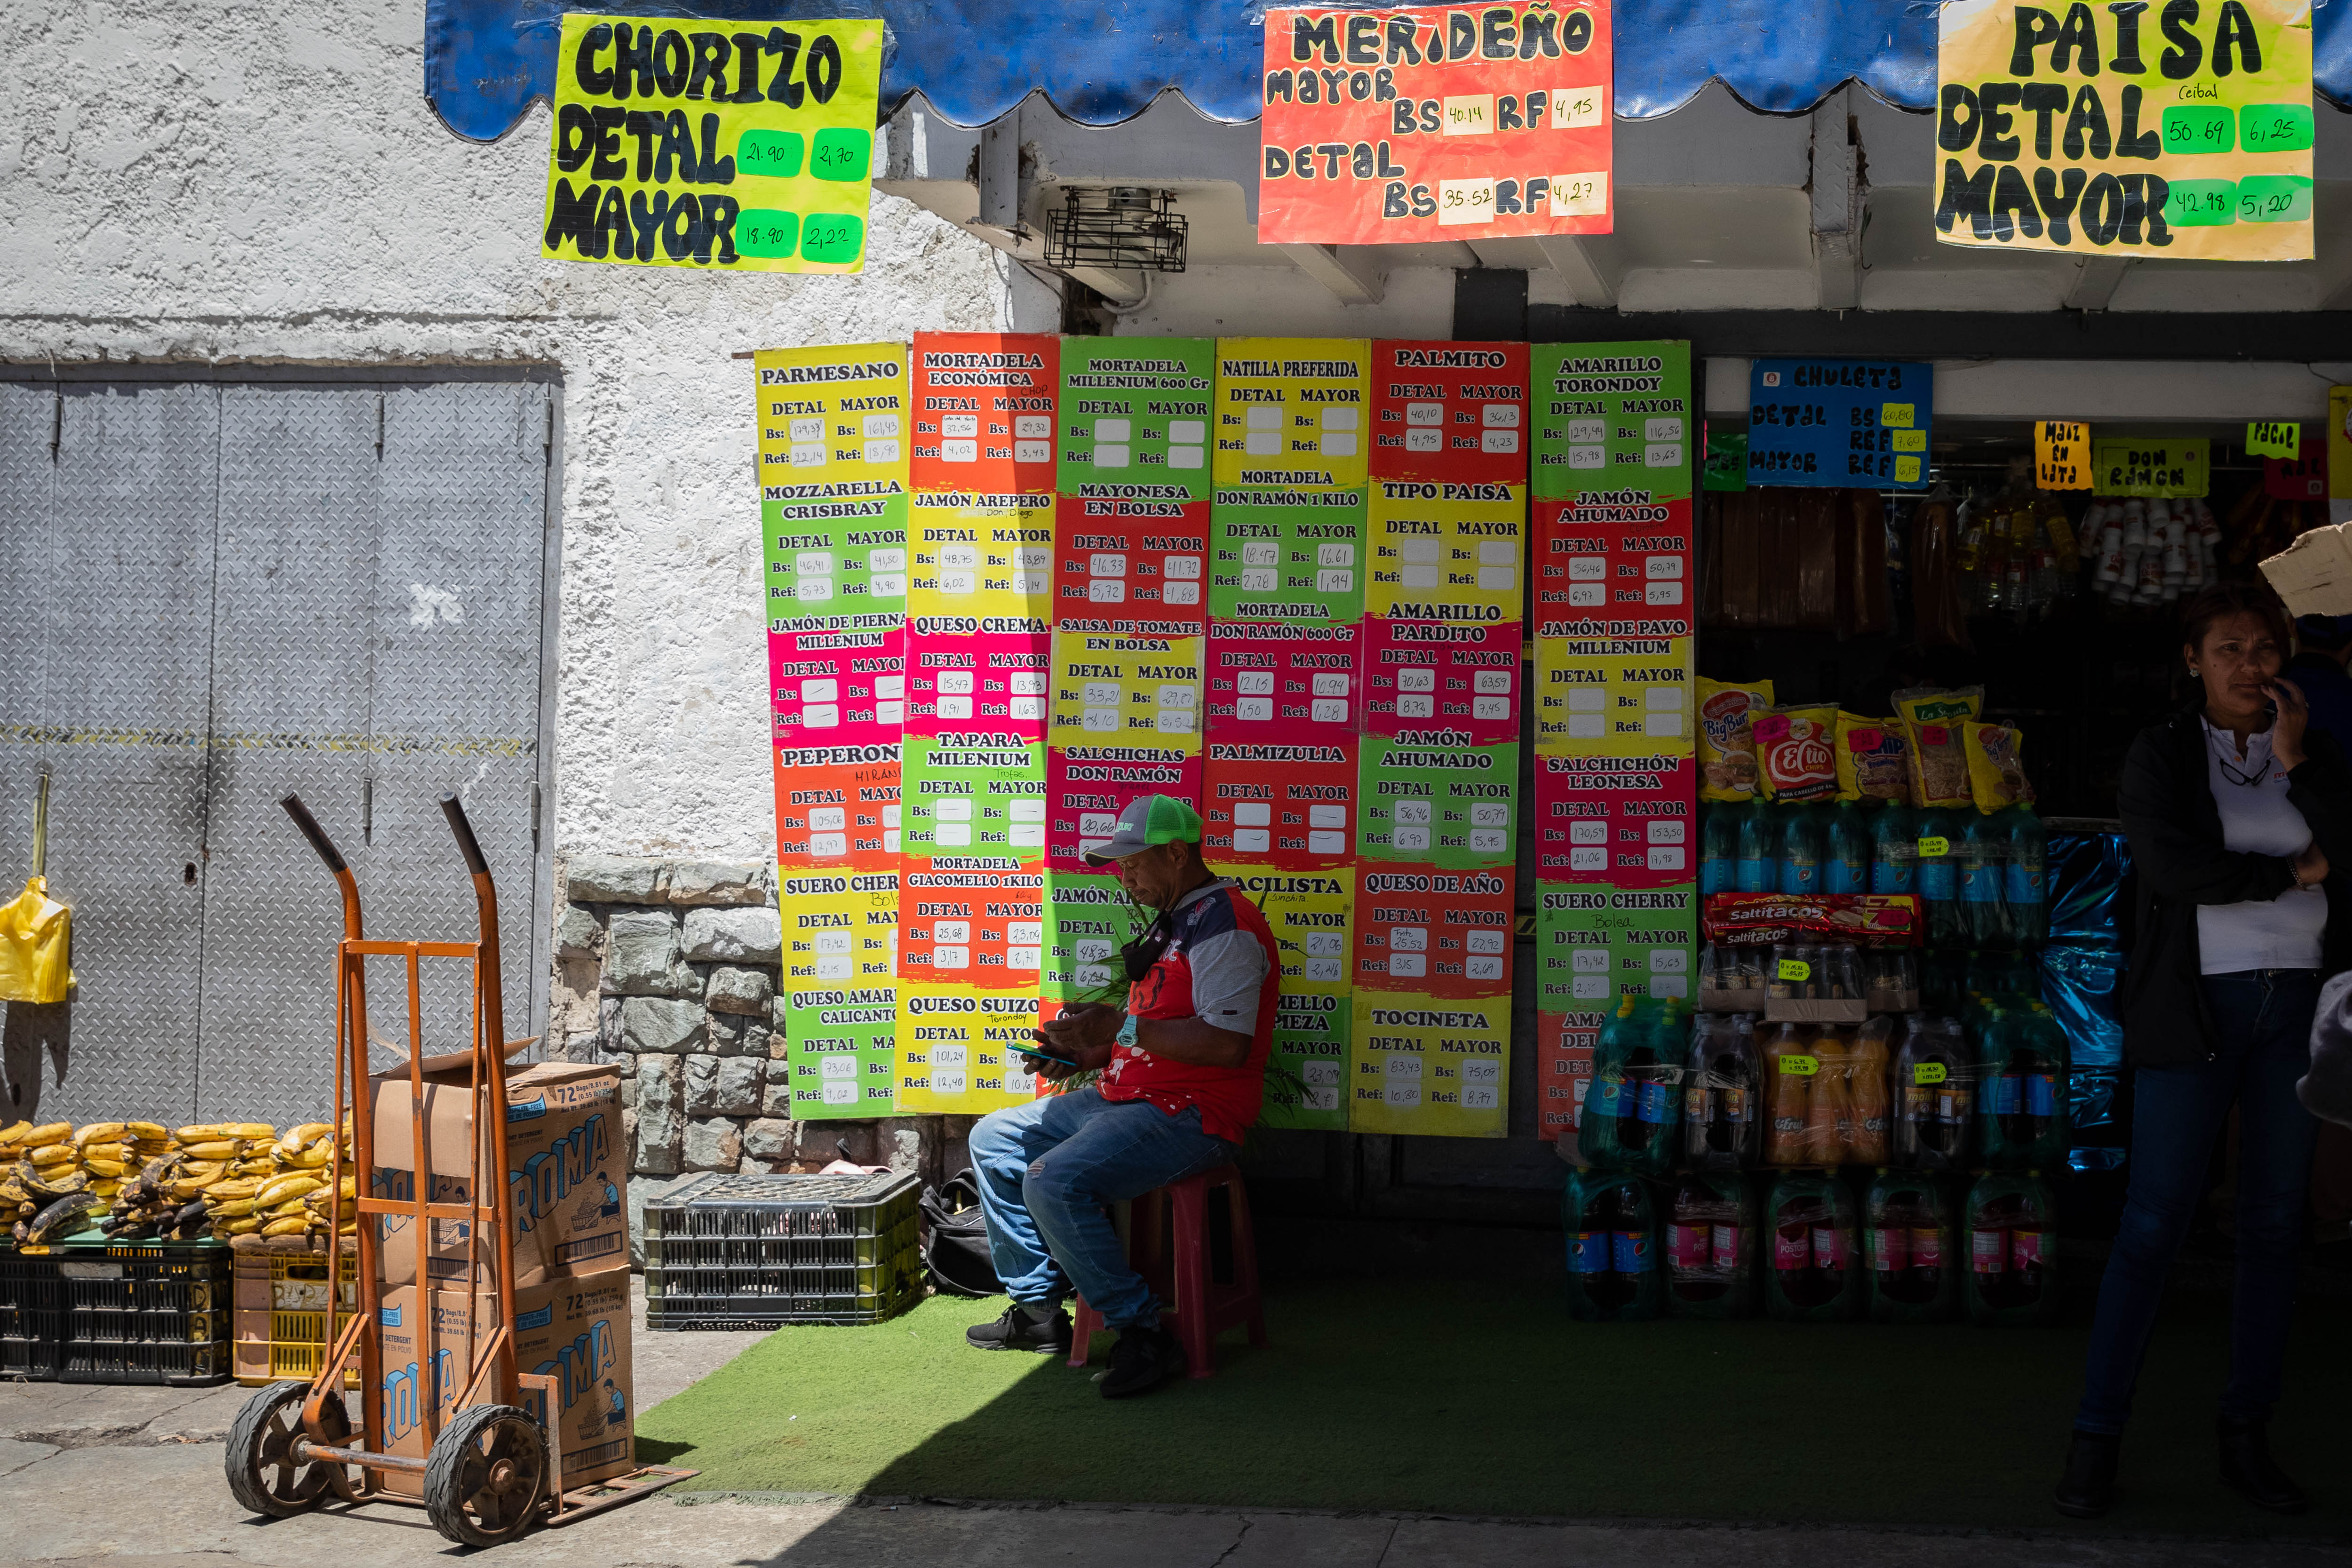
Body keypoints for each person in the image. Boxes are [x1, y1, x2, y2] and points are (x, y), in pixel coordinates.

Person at [2057, 581, 2352, 1519]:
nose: (2247, 665)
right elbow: (2173, 869)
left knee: (2271, 1228)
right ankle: (2095, 1435)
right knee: (2151, 1225)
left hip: (2295, 1007)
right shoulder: (2162, 752)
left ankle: (2245, 1432)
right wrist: (2297, 870)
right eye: (2226, 648)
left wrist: (2298, 763)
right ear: (2192, 661)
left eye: (2262, 648)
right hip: (2196, 1009)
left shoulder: (2313, 753)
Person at [961, 795, 1279, 1399]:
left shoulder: (1226, 929)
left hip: (1193, 1113)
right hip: (1128, 1096)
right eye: (1120, 865)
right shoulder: (1178, 917)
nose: (1124, 876)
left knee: (1051, 1180)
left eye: (1134, 864)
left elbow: (1225, 1047)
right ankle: (1037, 1315)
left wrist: (1119, 1028)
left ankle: (1143, 1332)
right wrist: (1082, 1055)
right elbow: (1150, 1035)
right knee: (993, 1140)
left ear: (1178, 853)